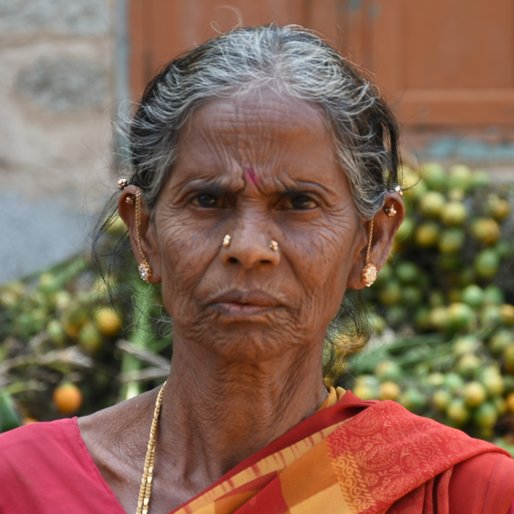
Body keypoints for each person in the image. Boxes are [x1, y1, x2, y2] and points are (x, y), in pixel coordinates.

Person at [1, 24, 513, 514]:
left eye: (298, 202)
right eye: (207, 199)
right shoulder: (22, 483)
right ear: (143, 232)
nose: (248, 248)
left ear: (372, 241)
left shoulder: (468, 497)